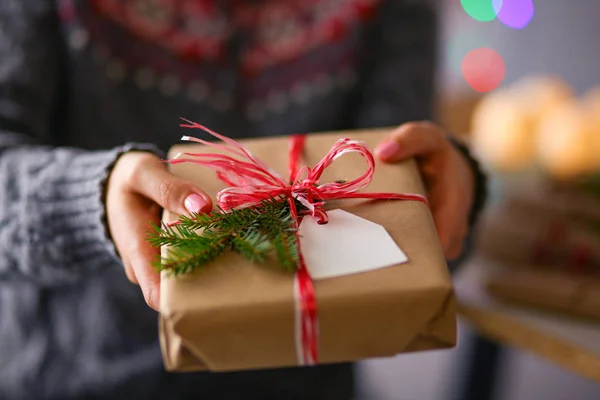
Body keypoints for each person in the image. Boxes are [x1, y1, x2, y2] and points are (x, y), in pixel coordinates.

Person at [0, 0, 486, 399]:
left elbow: (391, 180)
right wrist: (88, 199)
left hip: (313, 378)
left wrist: (450, 188)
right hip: (77, 377)